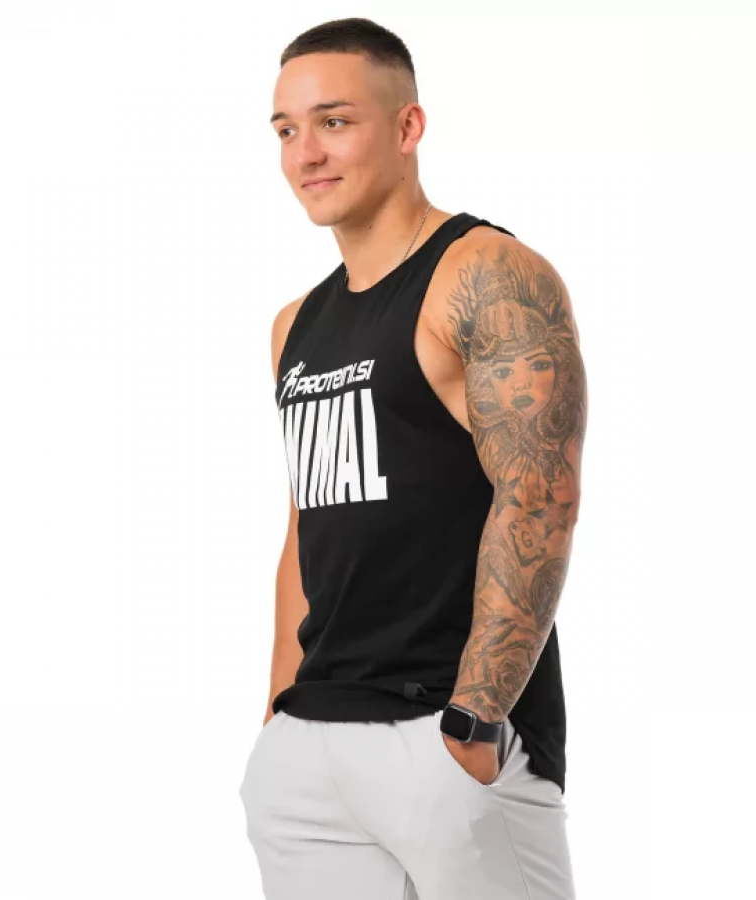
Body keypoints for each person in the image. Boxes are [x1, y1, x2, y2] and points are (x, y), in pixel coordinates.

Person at [239, 16, 587, 900]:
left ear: (407, 126)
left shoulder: (486, 276)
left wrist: (474, 721)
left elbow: (538, 497)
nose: (306, 153)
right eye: (286, 129)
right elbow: (307, 525)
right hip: (311, 751)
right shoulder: (294, 326)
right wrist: (278, 716)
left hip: (442, 734)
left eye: (334, 121)